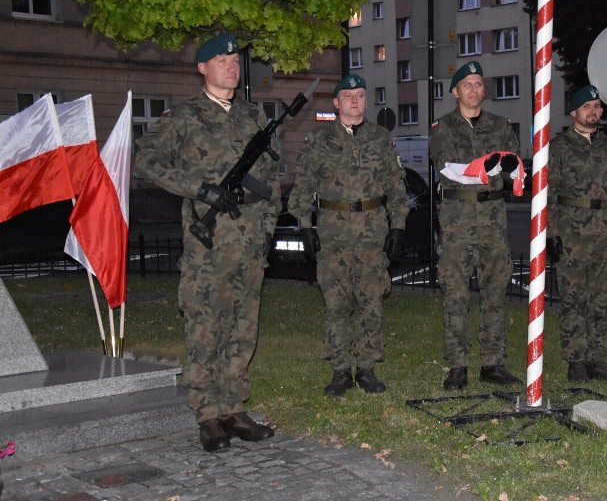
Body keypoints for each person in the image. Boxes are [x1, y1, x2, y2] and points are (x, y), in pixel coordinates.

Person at [134, 33, 281, 452]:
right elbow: (146, 159)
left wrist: (267, 230)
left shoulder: (253, 117)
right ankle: (207, 415)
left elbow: (271, 180)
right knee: (205, 328)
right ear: (202, 68)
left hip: (250, 245)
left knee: (243, 327)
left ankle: (233, 408)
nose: (231, 67)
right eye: (221, 60)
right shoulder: (184, 117)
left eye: (235, 60)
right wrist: (199, 189)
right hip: (209, 246)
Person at [288, 73, 409, 397]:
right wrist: (304, 226)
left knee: (371, 303)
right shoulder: (319, 141)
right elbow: (302, 190)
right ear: (337, 102)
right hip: (333, 235)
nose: (355, 101)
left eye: (360, 95)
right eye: (348, 96)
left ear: (365, 100)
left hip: (372, 233)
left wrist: (398, 226)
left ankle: (367, 368)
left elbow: (398, 189)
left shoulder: (381, 139)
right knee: (337, 305)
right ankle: (340, 370)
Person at [429, 60, 523, 391]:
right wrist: (492, 165)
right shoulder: (443, 128)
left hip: (493, 219)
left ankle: (493, 364)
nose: (474, 89)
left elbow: (514, 167)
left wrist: (502, 167)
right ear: (455, 91)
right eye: (467, 84)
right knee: (455, 295)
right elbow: (452, 168)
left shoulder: (501, 125)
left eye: (479, 84)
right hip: (457, 219)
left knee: (495, 293)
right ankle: (457, 366)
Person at [546, 85, 607, 383]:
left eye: (597, 106)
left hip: (604, 234)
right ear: (574, 112)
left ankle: (597, 358)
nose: (594, 111)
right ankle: (576, 360)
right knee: (573, 298)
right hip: (572, 234)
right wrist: (552, 233)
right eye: (587, 107)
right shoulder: (559, 149)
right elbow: (548, 193)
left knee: (599, 299)